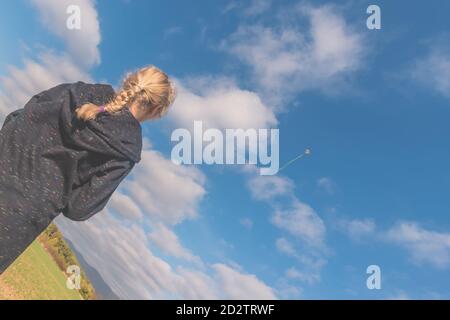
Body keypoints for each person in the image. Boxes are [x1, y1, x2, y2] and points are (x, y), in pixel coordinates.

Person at [0, 65, 177, 274]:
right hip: (19, 216)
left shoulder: (80, 91)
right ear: (156, 109)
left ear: (130, 80)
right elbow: (79, 208)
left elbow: (22, 115)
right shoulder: (127, 148)